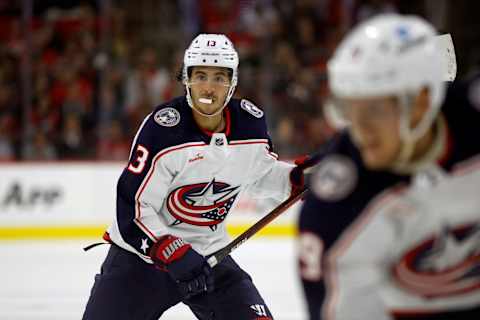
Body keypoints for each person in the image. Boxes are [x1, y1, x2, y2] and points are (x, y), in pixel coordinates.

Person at [83, 33, 307, 319]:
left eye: (219, 77)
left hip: (209, 258)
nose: (209, 87)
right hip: (141, 261)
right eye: (200, 75)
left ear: (233, 82)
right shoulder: (163, 130)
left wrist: (297, 178)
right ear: (186, 79)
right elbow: (133, 210)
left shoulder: (250, 124)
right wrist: (170, 249)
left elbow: (259, 174)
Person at [297, 14, 480, 320]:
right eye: (349, 110)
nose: (360, 130)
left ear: (421, 102)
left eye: (374, 110)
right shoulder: (333, 211)